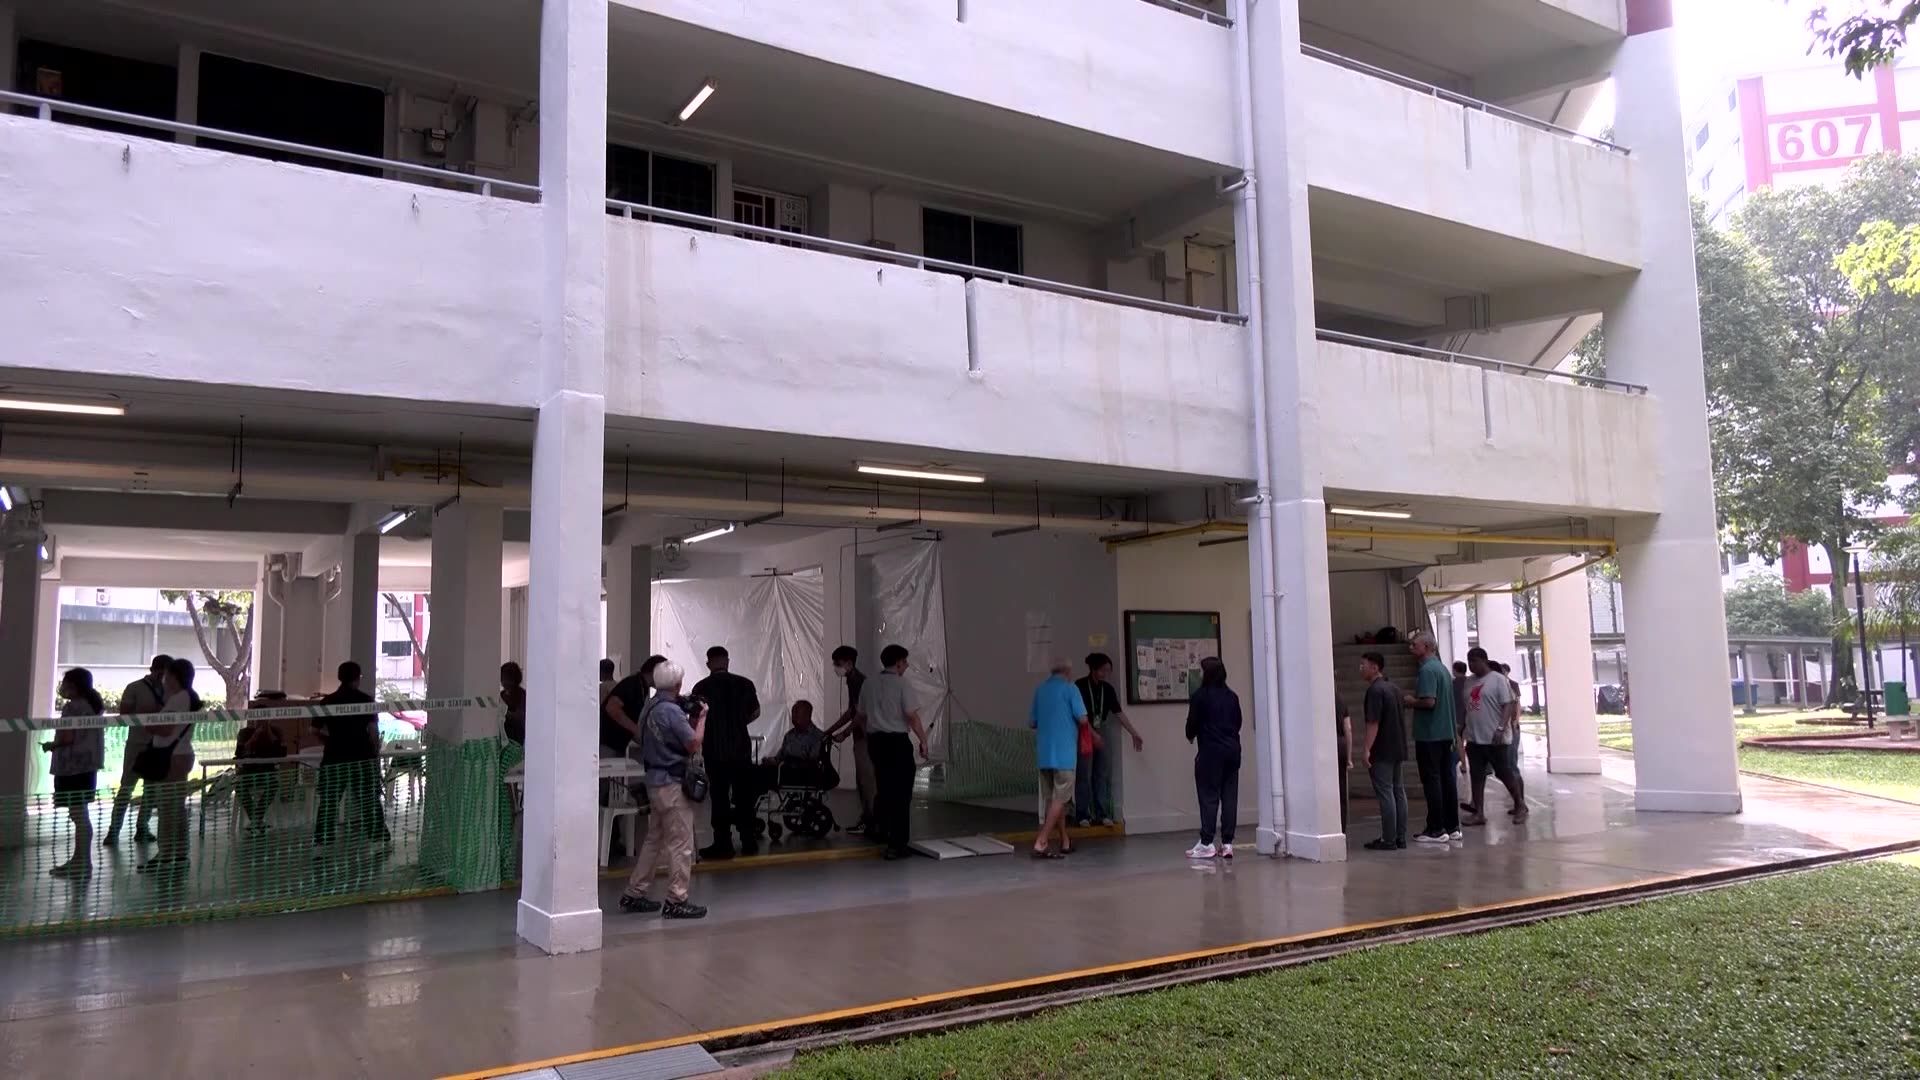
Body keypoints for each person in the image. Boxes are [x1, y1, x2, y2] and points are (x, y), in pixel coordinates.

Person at [618, 659, 708, 920]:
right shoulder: (670, 711)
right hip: (672, 784)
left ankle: (634, 892)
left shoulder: (650, 706)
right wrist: (701, 718)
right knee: (681, 844)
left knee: (654, 840)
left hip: (655, 783)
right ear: (678, 684)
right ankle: (676, 899)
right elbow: (693, 744)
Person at [856, 643, 930, 860]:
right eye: (905, 662)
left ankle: (881, 832)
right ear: (898, 663)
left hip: (876, 743)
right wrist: (923, 741)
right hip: (897, 743)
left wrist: (870, 735)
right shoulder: (902, 685)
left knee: (885, 789)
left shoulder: (868, 684)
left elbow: (861, 716)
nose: (906, 666)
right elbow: (912, 717)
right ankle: (897, 844)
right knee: (901, 793)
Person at [692, 646, 762, 859]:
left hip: (715, 750)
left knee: (720, 796)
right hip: (741, 749)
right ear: (727, 661)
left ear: (709, 664)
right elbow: (755, 712)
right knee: (744, 796)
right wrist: (740, 723)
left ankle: (723, 843)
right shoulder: (745, 684)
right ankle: (749, 841)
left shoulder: (701, 687)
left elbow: (695, 719)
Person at [314, 661, 388, 847]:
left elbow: (313, 730)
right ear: (357, 678)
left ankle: (323, 841)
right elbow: (372, 730)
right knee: (369, 800)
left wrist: (330, 741)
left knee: (329, 801)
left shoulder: (326, 702)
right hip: (361, 758)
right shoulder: (366, 701)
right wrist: (374, 751)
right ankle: (378, 838)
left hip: (334, 758)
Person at [141, 657, 202, 873]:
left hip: (173, 758)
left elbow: (165, 729)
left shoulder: (179, 700)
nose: (164, 679)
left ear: (174, 677)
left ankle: (165, 855)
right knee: (176, 807)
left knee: (167, 808)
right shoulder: (186, 697)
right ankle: (179, 853)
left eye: (167, 675)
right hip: (181, 756)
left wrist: (149, 725)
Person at [44, 668, 106, 878]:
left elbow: (67, 738)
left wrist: (51, 745)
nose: (62, 686)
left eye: (65, 682)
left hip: (72, 768)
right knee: (80, 814)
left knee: (78, 816)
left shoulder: (72, 709)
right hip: (87, 768)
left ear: (74, 685)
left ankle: (81, 862)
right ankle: (81, 861)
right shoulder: (93, 707)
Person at [102, 653, 169, 847]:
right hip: (137, 746)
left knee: (152, 789)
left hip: (158, 746)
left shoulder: (171, 691)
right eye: (161, 673)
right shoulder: (134, 688)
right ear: (153, 670)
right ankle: (113, 831)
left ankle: (142, 828)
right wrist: (149, 715)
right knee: (127, 788)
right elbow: (124, 715)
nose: (163, 677)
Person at [1404, 631, 1462, 845]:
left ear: (1427, 647)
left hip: (1430, 735)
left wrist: (1411, 701)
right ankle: (1452, 825)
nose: (1411, 647)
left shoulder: (1427, 670)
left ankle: (1436, 828)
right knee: (1447, 780)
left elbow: (1429, 702)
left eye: (1414, 644)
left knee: (1432, 781)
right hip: (1445, 734)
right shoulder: (1442, 669)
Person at [1073, 653, 1143, 827]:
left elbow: (1118, 713)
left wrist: (1134, 732)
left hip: (1102, 728)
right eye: (1103, 670)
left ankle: (1102, 813)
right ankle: (1082, 813)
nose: (1106, 673)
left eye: (1108, 670)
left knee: (1102, 773)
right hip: (1085, 730)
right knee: (1084, 774)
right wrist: (1092, 734)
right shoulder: (1079, 686)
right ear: (1094, 669)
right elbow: (1078, 714)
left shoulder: (1108, 689)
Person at [1184, 656, 1242, 860]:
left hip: (1210, 753)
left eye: (1201, 671)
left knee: (1209, 797)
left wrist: (1191, 736)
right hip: (1233, 752)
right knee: (1229, 796)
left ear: (1207, 673)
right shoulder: (1232, 697)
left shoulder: (1200, 696)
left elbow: (1192, 725)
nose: (1199, 674)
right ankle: (1227, 843)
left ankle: (1207, 842)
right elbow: (1238, 723)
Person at [1460, 648, 1527, 825]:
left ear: (1484, 660)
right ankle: (1479, 813)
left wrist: (1500, 728)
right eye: (1469, 661)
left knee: (1504, 772)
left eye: (1474, 661)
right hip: (1474, 737)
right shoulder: (1469, 682)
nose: (1471, 665)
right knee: (1477, 774)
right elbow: (1468, 706)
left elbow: (1508, 705)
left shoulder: (1498, 680)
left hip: (1494, 738)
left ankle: (1520, 805)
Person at [1030, 659, 1089, 858]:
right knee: (1060, 798)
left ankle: (1064, 840)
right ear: (1067, 671)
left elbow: (1032, 722)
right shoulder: (1070, 689)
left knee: (1054, 800)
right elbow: (1082, 719)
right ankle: (1042, 840)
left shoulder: (1040, 690)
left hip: (1045, 755)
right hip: (1064, 754)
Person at [823, 646, 875, 834]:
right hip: (860, 736)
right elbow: (851, 712)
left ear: (849, 663)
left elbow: (861, 715)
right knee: (862, 781)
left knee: (867, 782)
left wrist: (844, 734)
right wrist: (829, 730)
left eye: (838, 664)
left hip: (866, 737)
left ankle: (872, 822)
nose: (835, 667)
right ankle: (868, 818)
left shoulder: (859, 682)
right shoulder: (851, 680)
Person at [1358, 651, 1408, 852]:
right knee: (1398, 791)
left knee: (1386, 793)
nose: (1360, 669)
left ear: (1375, 667)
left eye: (1363, 665)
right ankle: (1399, 837)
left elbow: (1373, 722)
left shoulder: (1375, 691)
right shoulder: (1394, 689)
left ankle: (1388, 839)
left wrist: (1367, 749)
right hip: (1398, 747)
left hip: (1382, 748)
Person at [752, 700, 837, 791]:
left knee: (763, 775)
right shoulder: (789, 735)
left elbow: (813, 760)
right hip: (786, 770)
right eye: (793, 712)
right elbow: (780, 757)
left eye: (797, 712)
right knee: (755, 771)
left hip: (803, 774)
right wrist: (771, 760)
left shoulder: (817, 736)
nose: (794, 715)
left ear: (807, 715)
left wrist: (790, 758)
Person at [601, 654, 666, 757]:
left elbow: (628, 721)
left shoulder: (641, 687)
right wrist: (637, 731)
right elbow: (612, 708)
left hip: (616, 744)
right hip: (607, 743)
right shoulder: (633, 684)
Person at [233, 715, 286, 830]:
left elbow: (281, 753)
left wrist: (270, 734)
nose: (261, 721)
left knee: (273, 785)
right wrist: (254, 736)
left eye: (264, 718)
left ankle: (256, 818)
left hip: (267, 772)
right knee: (239, 786)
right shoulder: (245, 732)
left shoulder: (276, 732)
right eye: (259, 718)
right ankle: (257, 819)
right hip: (248, 772)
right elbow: (240, 752)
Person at [1335, 690, 1353, 832]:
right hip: (1340, 744)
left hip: (1327, 743)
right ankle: (1342, 827)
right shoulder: (1340, 699)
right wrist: (1349, 757)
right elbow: (1348, 728)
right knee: (1341, 789)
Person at [500, 662, 527, 745]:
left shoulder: (522, 695)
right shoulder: (501, 695)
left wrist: (504, 713)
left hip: (517, 739)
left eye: (507, 678)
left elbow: (522, 717)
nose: (504, 681)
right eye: (502, 678)